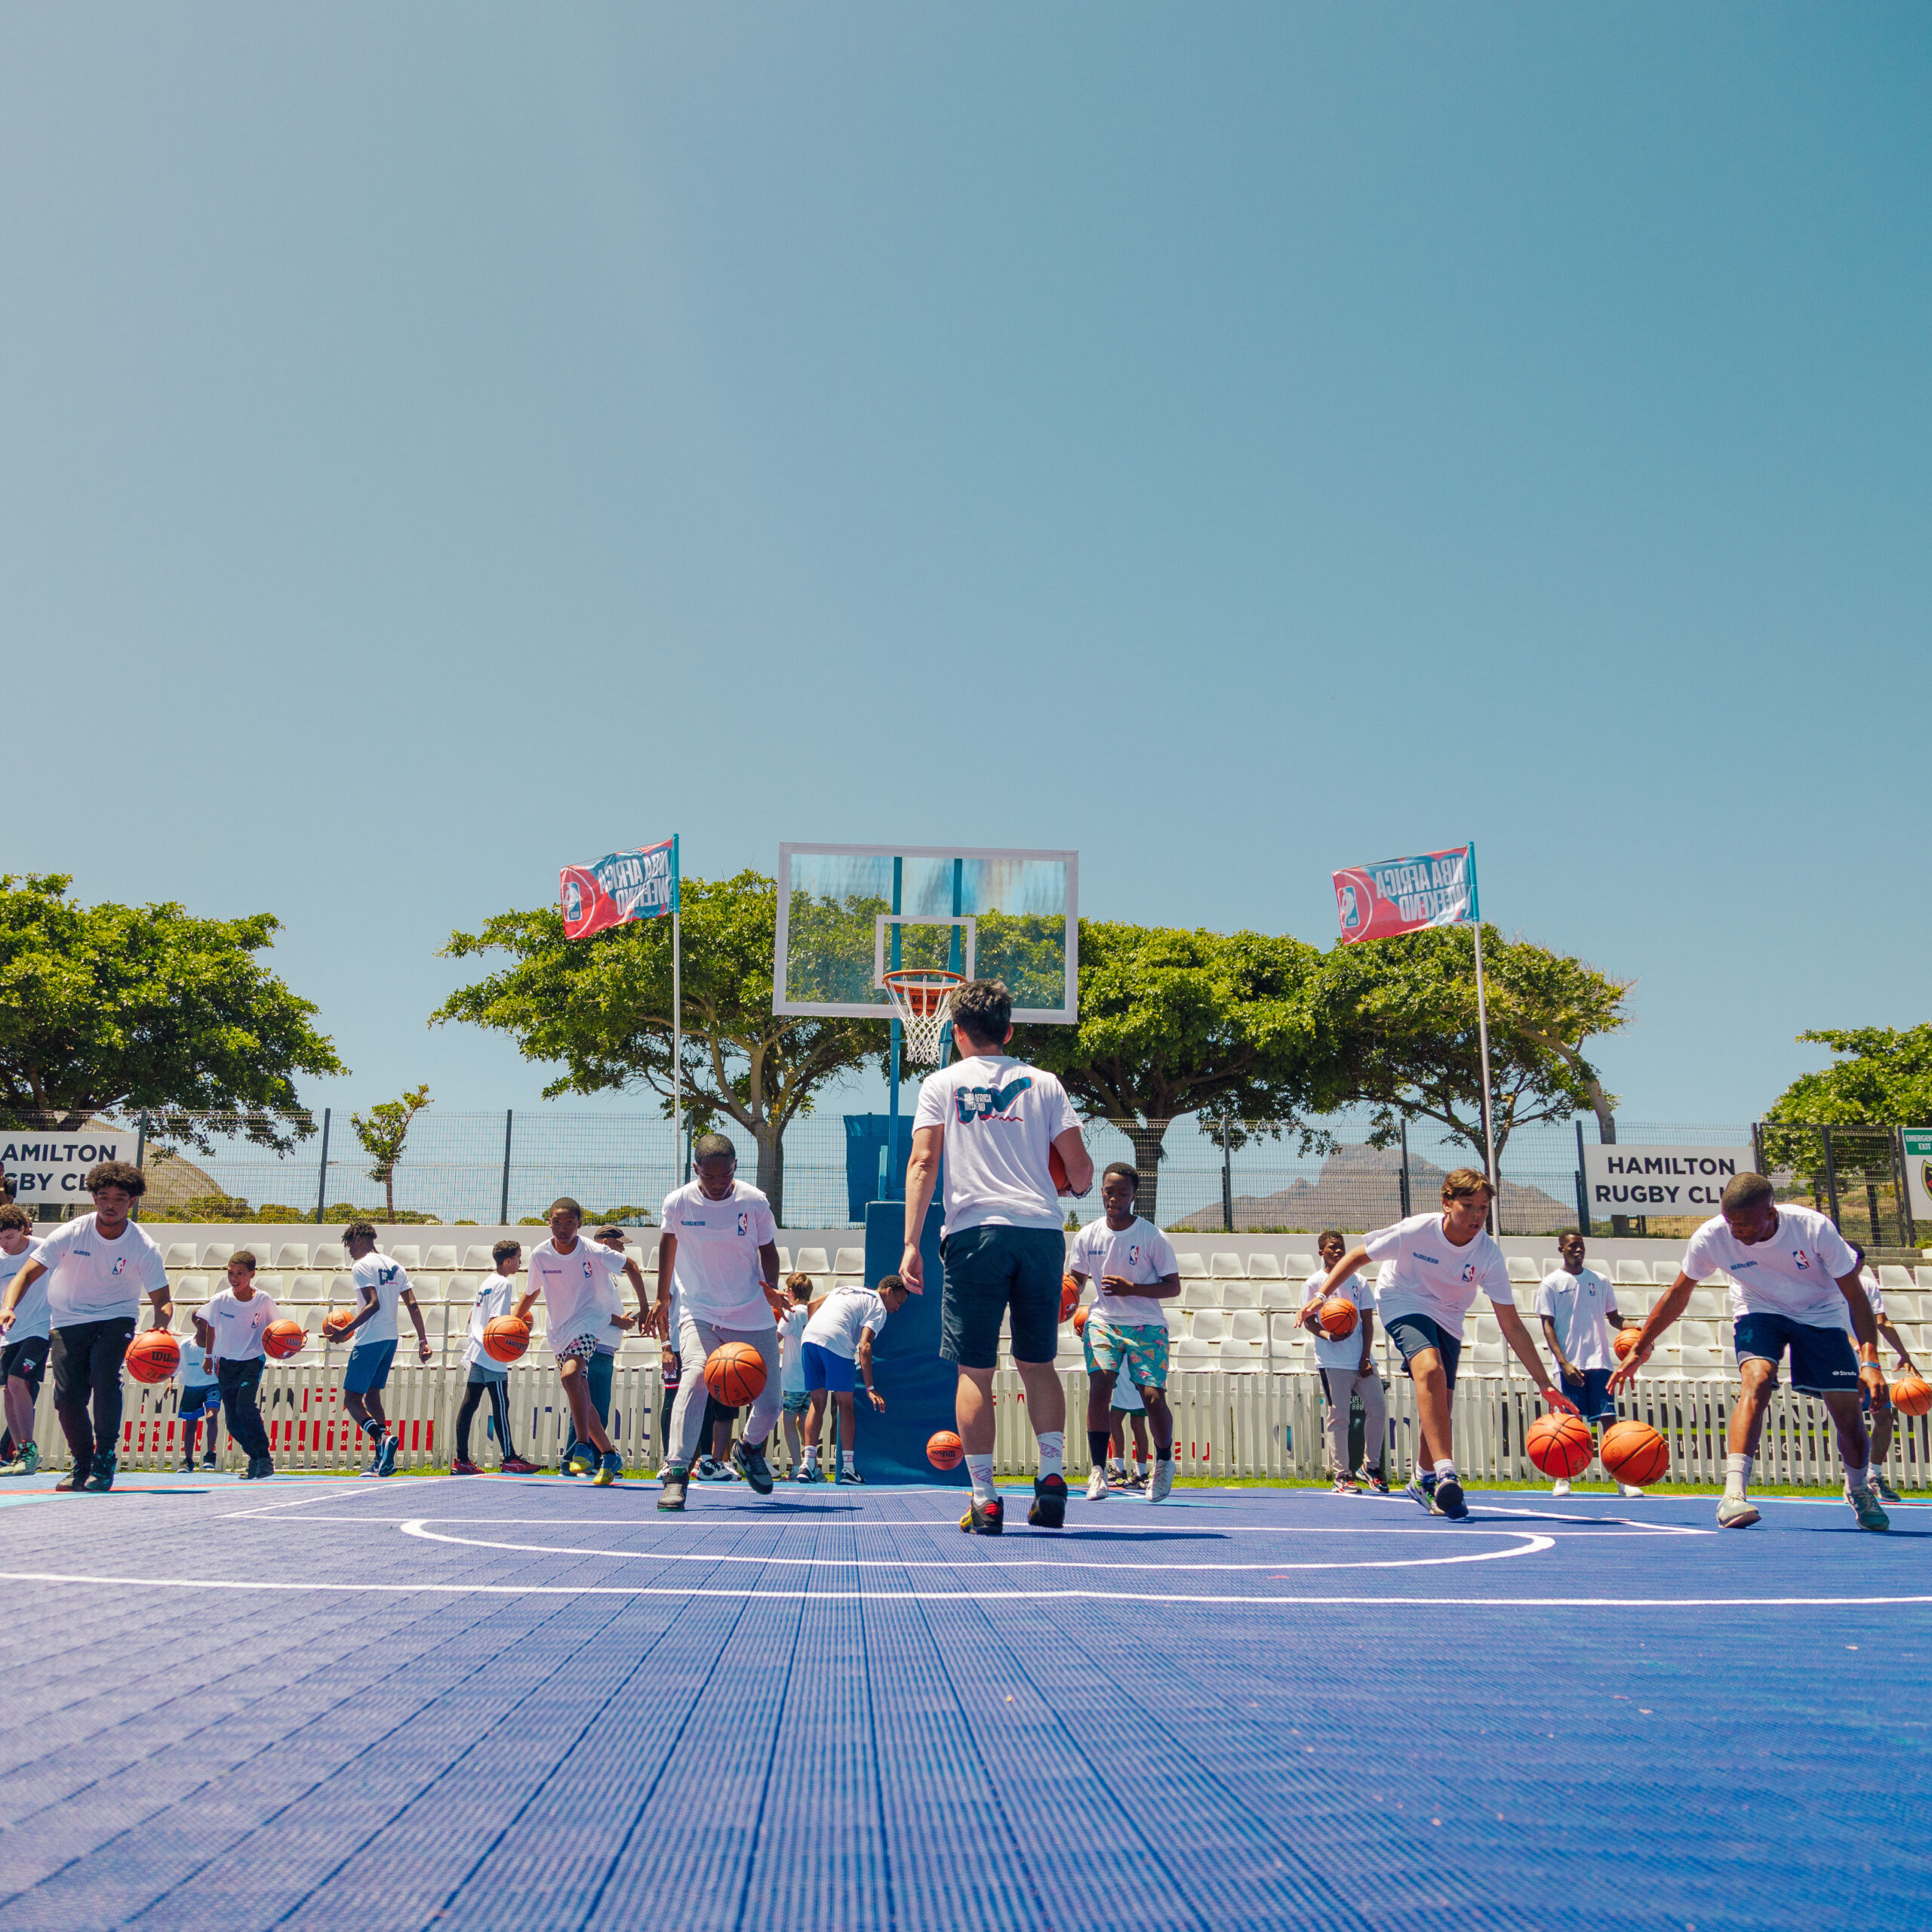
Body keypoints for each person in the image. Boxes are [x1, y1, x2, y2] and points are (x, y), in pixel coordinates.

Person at [901, 977, 1095, 1536]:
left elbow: (922, 1163)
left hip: (974, 1233)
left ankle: (986, 1499)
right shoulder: (1046, 1084)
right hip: (1038, 1232)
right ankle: (1053, 1477)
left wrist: (912, 1242)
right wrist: (1064, 1181)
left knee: (975, 1370)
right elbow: (1081, 1172)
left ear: (956, 1033)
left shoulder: (941, 1083)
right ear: (1009, 1031)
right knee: (1038, 1364)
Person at [1611, 1171, 1889, 1531]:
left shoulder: (1813, 1228)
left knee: (1848, 1417)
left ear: (1771, 1214)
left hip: (1821, 1312)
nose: (1735, 1231)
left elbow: (1855, 1296)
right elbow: (1678, 1294)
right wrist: (1640, 1346)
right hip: (1758, 1308)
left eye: (1743, 1224)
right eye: (1730, 1222)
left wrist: (1870, 1361)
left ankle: (1857, 1489)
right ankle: (1733, 1495)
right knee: (1756, 1380)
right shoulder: (1713, 1236)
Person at [1315, 1169, 1577, 1521]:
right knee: (1429, 1367)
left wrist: (1545, 1383)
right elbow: (1357, 1256)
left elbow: (1511, 1324)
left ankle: (1422, 1478)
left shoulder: (1487, 1255)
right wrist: (1321, 1295)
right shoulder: (1416, 1231)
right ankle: (1446, 1473)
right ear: (1446, 1203)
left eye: (1483, 1208)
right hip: (1403, 1300)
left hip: (1450, 1317)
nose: (1476, 1216)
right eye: (1468, 1206)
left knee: (1441, 1401)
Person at [0, 1161, 172, 1493]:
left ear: (131, 1202)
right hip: (68, 1319)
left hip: (116, 1318)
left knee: (105, 1380)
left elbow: (162, 1300)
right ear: (93, 1198)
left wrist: (159, 1329)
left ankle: (105, 1458)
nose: (111, 1204)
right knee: (67, 1398)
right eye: (104, 1196)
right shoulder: (73, 1231)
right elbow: (25, 1274)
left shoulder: (142, 1245)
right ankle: (82, 1463)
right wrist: (9, 1307)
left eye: (119, 1198)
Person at [655, 1135, 786, 1511]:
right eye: (710, 1177)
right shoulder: (678, 1201)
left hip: (750, 1311)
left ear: (735, 1168)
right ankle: (677, 1472)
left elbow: (768, 1250)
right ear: (696, 1170)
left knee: (771, 1403)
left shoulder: (753, 1201)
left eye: (725, 1175)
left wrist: (772, 1289)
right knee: (695, 1376)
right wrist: (663, 1296)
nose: (718, 1184)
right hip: (702, 1311)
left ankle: (748, 1449)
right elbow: (668, 1244)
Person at [516, 1198, 654, 1488]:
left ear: (579, 1224)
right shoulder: (540, 1255)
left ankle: (581, 1447)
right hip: (559, 1330)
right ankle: (609, 1454)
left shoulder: (594, 1250)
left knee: (570, 1376)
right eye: (557, 1222)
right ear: (549, 1222)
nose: (563, 1228)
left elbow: (632, 1266)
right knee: (583, 1397)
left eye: (569, 1222)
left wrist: (645, 1307)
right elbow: (531, 1293)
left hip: (592, 1323)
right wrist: (512, 1322)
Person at [1067, 1161, 1180, 1504]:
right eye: (1108, 1191)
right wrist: (1064, 1298)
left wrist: (1133, 1288)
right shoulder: (1087, 1235)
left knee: (1152, 1397)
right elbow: (1076, 1281)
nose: (1114, 1198)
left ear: (1134, 1196)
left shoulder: (1151, 1236)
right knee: (1101, 1383)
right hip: (1103, 1320)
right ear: (1101, 1192)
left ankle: (1163, 1464)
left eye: (1122, 1193)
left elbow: (1173, 1287)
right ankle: (1099, 1471)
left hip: (1147, 1325)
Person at [1534, 1232, 1642, 1499]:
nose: (1578, 1250)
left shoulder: (1600, 1280)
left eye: (1581, 1245)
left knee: (1609, 1421)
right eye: (1572, 1246)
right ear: (1562, 1250)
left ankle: (1622, 1479)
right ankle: (1563, 1478)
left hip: (1599, 1362)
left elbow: (1614, 1318)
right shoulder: (1551, 1283)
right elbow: (1547, 1325)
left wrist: (1640, 1328)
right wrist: (1563, 1362)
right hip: (1569, 1364)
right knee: (1567, 1424)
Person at [331, 1221, 433, 1478]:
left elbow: (372, 1305)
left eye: (349, 1244)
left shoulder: (362, 1265)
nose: (349, 1251)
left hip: (370, 1339)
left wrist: (346, 1331)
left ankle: (381, 1438)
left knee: (352, 1399)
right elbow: (412, 1304)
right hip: (390, 1338)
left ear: (359, 1239)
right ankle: (383, 1462)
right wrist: (423, 1340)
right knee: (373, 1395)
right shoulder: (395, 1265)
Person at [798, 1274, 911, 1484]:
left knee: (817, 1402)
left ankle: (808, 1465)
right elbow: (864, 1346)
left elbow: (813, 1303)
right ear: (889, 1292)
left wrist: (819, 1331)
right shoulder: (878, 1306)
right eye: (898, 1302)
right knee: (846, 1405)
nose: (897, 1308)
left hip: (809, 1338)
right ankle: (848, 1469)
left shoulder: (847, 1289)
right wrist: (870, 1388)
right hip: (836, 1340)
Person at [1300, 1229, 1387, 1497]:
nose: (1337, 1251)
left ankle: (1370, 1468)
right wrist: (1329, 1335)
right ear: (1321, 1252)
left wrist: (1365, 1357)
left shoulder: (1359, 1280)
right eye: (1332, 1247)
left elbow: (1368, 1320)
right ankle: (1342, 1475)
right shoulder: (1313, 1283)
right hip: (1332, 1360)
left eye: (1341, 1247)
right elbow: (1309, 1319)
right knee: (1340, 1417)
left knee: (1379, 1410)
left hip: (1360, 1358)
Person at [557, 1226, 641, 1476]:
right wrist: (620, 1322)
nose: (622, 1248)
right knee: (588, 1406)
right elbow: (591, 1308)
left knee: (592, 1407)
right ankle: (574, 1461)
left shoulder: (601, 1270)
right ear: (605, 1243)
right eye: (619, 1244)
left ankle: (587, 1460)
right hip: (595, 1346)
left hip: (602, 1346)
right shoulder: (594, 1268)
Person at [452, 1239, 537, 1475]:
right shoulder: (504, 1284)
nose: (520, 1262)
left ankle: (461, 1460)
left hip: (477, 1348)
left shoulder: (487, 1282)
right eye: (518, 1258)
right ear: (508, 1260)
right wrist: (517, 1331)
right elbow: (498, 1323)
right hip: (492, 1351)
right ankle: (510, 1458)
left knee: (469, 1404)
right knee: (501, 1404)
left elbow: (472, 1318)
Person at [196, 1251, 278, 1480]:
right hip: (226, 1363)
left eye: (240, 1273)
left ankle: (263, 1458)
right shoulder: (220, 1299)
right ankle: (254, 1456)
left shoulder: (263, 1300)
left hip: (252, 1360)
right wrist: (209, 1355)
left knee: (244, 1406)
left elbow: (277, 1329)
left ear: (252, 1274)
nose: (234, 1278)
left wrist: (291, 1341)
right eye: (231, 1273)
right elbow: (210, 1327)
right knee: (232, 1421)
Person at [0, 1204, 48, 1476]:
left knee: (18, 1382)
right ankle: (20, 1453)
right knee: (8, 1389)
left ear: (22, 1229)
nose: (4, 1244)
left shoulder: (43, 1249)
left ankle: (29, 1449)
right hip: (10, 1333)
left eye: (9, 1237)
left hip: (41, 1328)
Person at [777, 1272, 815, 1478]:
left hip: (792, 1380)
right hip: (810, 1379)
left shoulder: (791, 1313)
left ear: (790, 1292)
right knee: (806, 1422)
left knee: (789, 1421)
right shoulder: (813, 1312)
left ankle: (799, 1466)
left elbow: (776, 1337)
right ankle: (813, 1466)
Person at [176, 1310, 223, 1472]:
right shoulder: (186, 1345)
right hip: (192, 1387)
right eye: (207, 1320)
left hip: (212, 1384)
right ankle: (188, 1461)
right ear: (198, 1323)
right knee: (190, 1426)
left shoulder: (218, 1343)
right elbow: (175, 1367)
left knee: (212, 1417)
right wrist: (169, 1381)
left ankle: (210, 1455)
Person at [1104, 1368, 1152, 1491]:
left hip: (1130, 1374)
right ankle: (1140, 1474)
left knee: (1116, 1420)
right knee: (1136, 1423)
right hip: (1137, 1375)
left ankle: (1120, 1472)